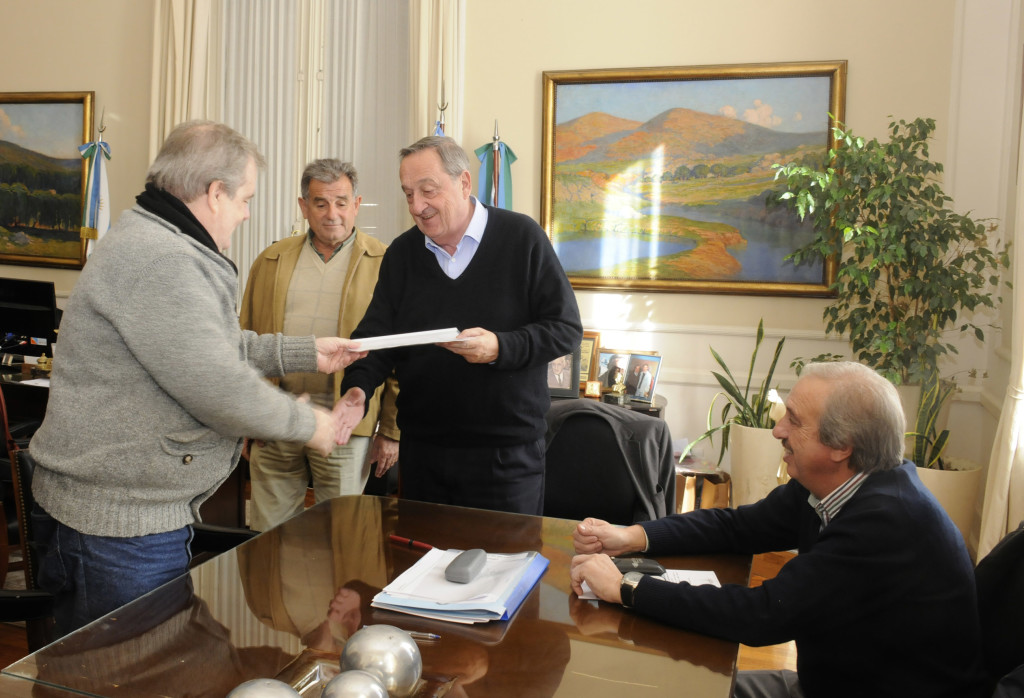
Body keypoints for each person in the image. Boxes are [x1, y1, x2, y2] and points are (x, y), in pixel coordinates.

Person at [28, 120, 366, 637]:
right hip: (118, 531)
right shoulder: (164, 259)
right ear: (214, 193)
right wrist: (310, 423)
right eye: (245, 198)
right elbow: (218, 386)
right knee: (124, 676)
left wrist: (305, 352)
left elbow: (211, 346)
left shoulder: (154, 236)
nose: (247, 212)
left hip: (125, 518)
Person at [570, 361, 988, 698]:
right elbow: (738, 527)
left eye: (794, 420)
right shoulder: (835, 484)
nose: (777, 430)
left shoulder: (888, 522)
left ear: (841, 446)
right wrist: (634, 536)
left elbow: (763, 616)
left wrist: (627, 588)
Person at [336, 135, 582, 515]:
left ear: (465, 183)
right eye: (407, 194)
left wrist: (500, 347)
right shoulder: (402, 254)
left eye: (428, 191)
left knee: (503, 571)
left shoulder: (522, 238)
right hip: (423, 457)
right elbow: (376, 338)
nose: (417, 206)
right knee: (419, 570)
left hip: (506, 459)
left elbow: (565, 328)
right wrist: (357, 388)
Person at [240, 158, 399, 531]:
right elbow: (244, 342)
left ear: (357, 204)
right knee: (268, 535)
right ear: (303, 206)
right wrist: (247, 417)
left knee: (341, 537)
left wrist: (391, 430)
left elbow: (398, 355)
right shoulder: (271, 260)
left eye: (342, 202)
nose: (332, 214)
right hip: (276, 421)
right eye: (320, 203)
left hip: (346, 426)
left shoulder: (386, 262)